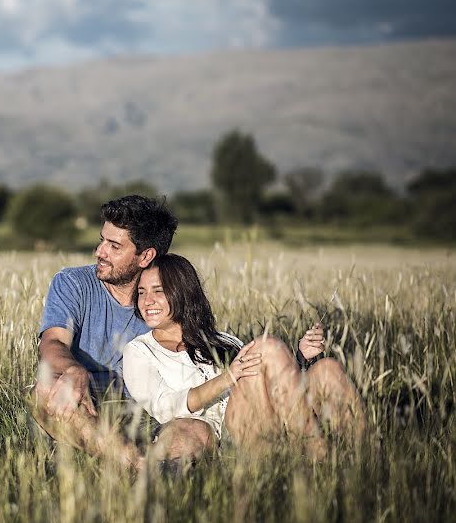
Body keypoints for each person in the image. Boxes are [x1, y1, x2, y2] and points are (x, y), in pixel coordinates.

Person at [123, 254, 367, 462]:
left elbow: (269, 386)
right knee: (266, 347)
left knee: (327, 369)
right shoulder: (140, 351)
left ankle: (366, 459)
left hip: (265, 419)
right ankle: (317, 453)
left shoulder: (221, 340)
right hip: (230, 436)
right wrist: (228, 377)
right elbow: (165, 408)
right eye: (142, 292)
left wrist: (302, 359)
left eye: (158, 291)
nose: (147, 301)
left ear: (182, 292)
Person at [28, 195, 178, 470]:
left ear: (146, 256)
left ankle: (135, 463)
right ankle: (135, 463)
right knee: (46, 389)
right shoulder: (73, 283)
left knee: (195, 430)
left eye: (114, 246)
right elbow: (52, 342)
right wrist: (75, 370)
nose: (100, 251)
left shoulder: (165, 298)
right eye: (102, 240)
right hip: (86, 405)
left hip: (146, 413)